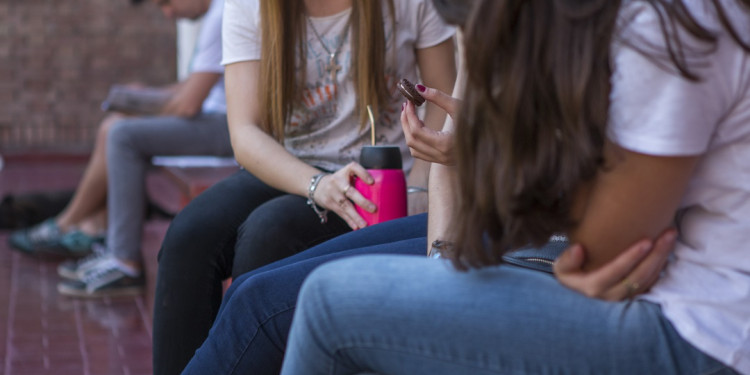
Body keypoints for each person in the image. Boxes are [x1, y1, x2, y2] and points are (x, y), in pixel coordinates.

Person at [281, 0, 750, 373]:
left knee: (327, 303)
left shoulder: (665, 27)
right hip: (685, 311)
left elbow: (598, 255)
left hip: (702, 337)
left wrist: (492, 148)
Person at [151, 0, 457, 373]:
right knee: (188, 235)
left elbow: (443, 100)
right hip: (289, 165)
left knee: (269, 232)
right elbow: (245, 133)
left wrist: (419, 186)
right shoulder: (249, 6)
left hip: (378, 179)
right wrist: (316, 184)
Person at [9, 0, 233, 297]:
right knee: (115, 127)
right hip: (217, 121)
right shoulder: (219, 12)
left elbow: (188, 103)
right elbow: (188, 89)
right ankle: (90, 227)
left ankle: (121, 260)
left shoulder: (224, 13)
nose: (168, 14)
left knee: (123, 135)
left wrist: (141, 108)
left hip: (228, 128)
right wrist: (142, 97)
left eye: (166, 3)